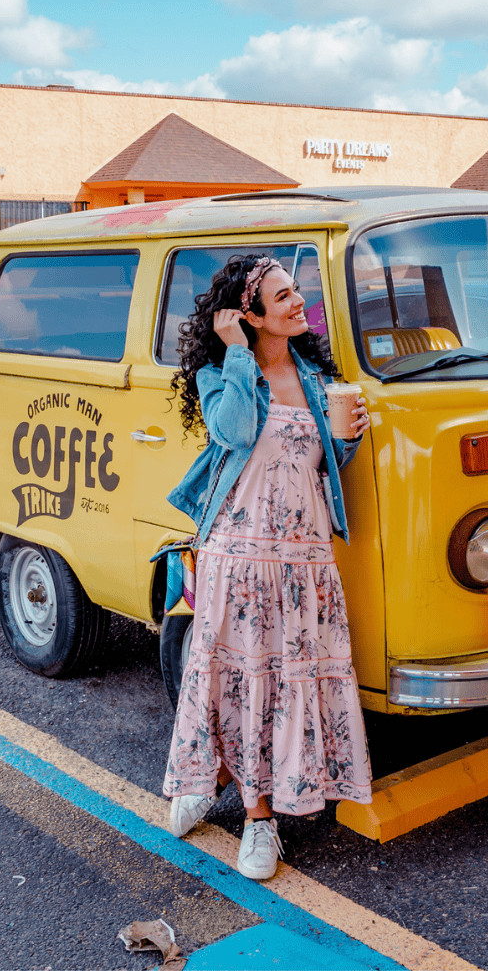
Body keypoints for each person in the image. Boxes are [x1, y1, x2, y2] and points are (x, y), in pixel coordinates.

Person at [163, 252, 373, 880]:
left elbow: (320, 464)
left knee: (282, 687)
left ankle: (216, 776)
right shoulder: (221, 374)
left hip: (304, 562)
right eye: (282, 296)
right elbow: (233, 431)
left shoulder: (314, 377)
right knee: (242, 682)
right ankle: (256, 820)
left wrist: (349, 438)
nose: (297, 301)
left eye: (295, 291)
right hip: (240, 556)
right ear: (250, 314)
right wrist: (233, 351)